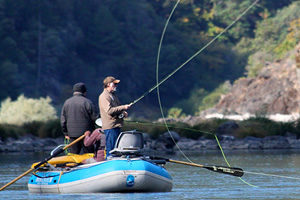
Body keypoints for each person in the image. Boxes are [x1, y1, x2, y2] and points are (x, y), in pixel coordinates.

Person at [99, 76, 132, 157]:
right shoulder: (104, 96)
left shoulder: (113, 95)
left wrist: (123, 112)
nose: (116, 86)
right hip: (110, 127)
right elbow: (109, 110)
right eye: (114, 84)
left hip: (116, 126)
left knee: (116, 149)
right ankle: (109, 165)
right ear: (108, 85)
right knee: (111, 150)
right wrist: (123, 107)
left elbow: (117, 108)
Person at [61, 82, 98, 154]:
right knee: (89, 155)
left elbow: (63, 120)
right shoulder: (88, 102)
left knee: (73, 156)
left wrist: (66, 133)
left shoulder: (67, 102)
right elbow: (95, 118)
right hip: (87, 134)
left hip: (72, 135)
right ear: (84, 92)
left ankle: (73, 165)